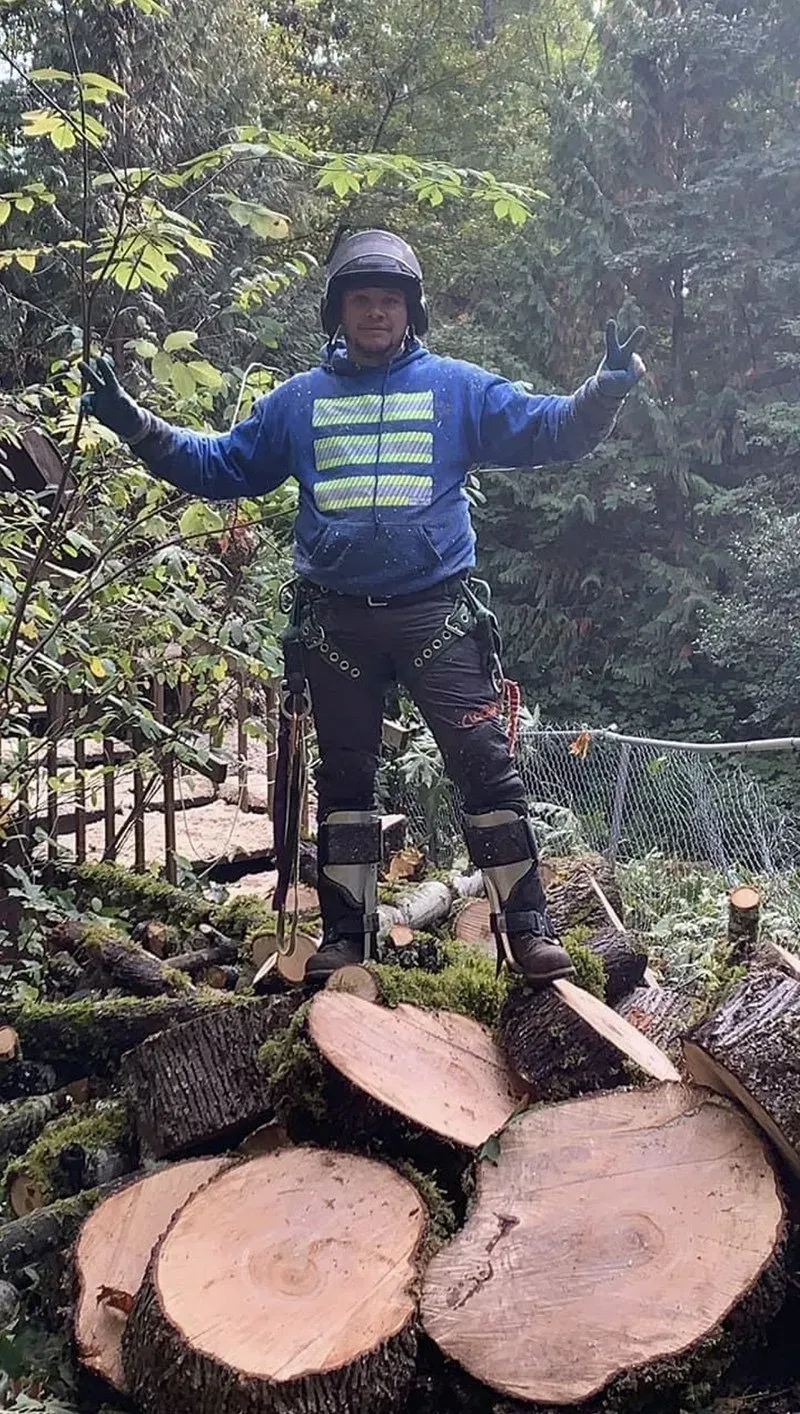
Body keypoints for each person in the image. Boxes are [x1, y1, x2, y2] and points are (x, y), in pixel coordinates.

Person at [80, 228, 645, 986]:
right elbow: (223, 465)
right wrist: (137, 426)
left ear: (411, 311)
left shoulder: (458, 389)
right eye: (361, 299)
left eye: (389, 300)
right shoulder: (299, 403)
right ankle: (347, 939)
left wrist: (604, 389)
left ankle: (528, 928)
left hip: (436, 616)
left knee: (486, 767)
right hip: (336, 623)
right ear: (337, 312)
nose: (375, 312)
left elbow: (548, 428)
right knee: (345, 784)